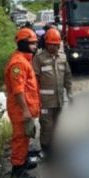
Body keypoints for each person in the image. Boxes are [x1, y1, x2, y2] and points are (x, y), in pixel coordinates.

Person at [4, 27, 40, 178]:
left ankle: (23, 163)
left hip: (25, 108)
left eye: (35, 43)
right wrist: (25, 111)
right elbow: (18, 91)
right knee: (20, 139)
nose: (35, 46)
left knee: (25, 138)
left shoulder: (24, 59)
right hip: (20, 110)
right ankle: (18, 171)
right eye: (32, 43)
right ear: (23, 43)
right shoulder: (17, 64)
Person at [32, 28, 72, 157]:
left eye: (56, 45)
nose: (53, 47)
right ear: (46, 43)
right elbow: (34, 80)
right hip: (45, 101)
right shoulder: (39, 58)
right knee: (46, 126)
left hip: (59, 99)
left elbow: (67, 75)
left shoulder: (63, 58)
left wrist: (69, 91)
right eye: (51, 44)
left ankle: (57, 147)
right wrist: (35, 98)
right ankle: (46, 149)